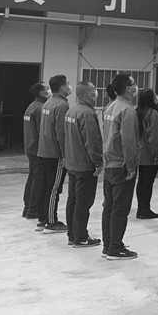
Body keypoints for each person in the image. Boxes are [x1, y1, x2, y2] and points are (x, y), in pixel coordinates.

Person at [101, 73, 140, 260]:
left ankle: (108, 244)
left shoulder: (110, 107)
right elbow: (129, 141)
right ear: (127, 88)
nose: (136, 87)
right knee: (120, 208)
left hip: (109, 162)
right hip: (121, 164)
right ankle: (115, 248)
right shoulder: (128, 110)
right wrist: (131, 165)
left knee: (109, 206)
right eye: (133, 84)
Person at [64, 81, 103, 248]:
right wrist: (97, 161)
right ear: (87, 94)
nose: (96, 93)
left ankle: (72, 234)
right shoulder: (87, 113)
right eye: (94, 91)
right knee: (83, 202)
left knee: (73, 200)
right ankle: (80, 237)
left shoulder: (71, 110)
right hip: (84, 164)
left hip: (72, 162)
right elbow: (92, 141)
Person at [36, 75, 72, 234]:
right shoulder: (62, 105)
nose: (69, 86)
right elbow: (61, 132)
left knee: (45, 186)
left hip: (44, 150)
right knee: (54, 188)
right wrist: (65, 154)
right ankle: (51, 222)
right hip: (55, 153)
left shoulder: (48, 103)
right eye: (68, 84)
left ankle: (42, 219)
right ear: (63, 87)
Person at [135, 88, 158, 219]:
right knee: (148, 182)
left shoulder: (137, 112)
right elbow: (154, 136)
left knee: (141, 181)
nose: (157, 97)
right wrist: (157, 153)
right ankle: (145, 209)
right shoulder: (153, 114)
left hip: (140, 153)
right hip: (149, 154)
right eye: (155, 95)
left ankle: (140, 208)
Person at [22, 81, 48, 221]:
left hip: (30, 147)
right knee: (38, 179)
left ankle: (27, 207)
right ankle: (33, 209)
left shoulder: (31, 106)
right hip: (37, 149)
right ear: (41, 93)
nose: (49, 91)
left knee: (32, 177)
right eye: (47, 89)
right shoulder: (40, 108)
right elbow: (41, 131)